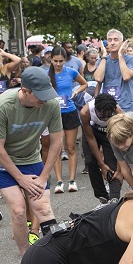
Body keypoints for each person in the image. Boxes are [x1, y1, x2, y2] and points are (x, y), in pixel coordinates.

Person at [0, 67, 63, 264]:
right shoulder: (2, 105)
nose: (45, 100)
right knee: (19, 210)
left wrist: (43, 177)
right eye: (40, 95)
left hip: (30, 156)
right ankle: (26, 263)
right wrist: (20, 179)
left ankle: (59, 258)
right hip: (2, 159)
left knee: (43, 207)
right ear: (25, 90)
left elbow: (57, 141)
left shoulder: (51, 104)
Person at [48, 47, 87, 194]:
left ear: (65, 60)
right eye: (55, 61)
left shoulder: (71, 71)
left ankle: (71, 180)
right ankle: (59, 181)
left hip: (69, 112)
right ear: (50, 60)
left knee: (71, 148)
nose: (58, 64)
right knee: (57, 148)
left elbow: (84, 84)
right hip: (54, 114)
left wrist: (75, 92)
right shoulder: (46, 74)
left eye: (61, 61)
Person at [80, 93, 123, 203]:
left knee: (112, 165)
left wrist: (119, 169)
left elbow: (121, 143)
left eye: (109, 116)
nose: (105, 119)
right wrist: (101, 164)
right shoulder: (85, 112)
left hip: (110, 133)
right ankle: (102, 196)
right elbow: (90, 138)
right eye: (102, 116)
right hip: (92, 132)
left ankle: (114, 198)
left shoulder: (119, 113)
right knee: (90, 161)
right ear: (95, 109)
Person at [94, 29, 133, 125]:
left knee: (130, 137)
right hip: (108, 109)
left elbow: (126, 76)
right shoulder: (102, 60)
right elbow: (98, 78)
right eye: (109, 40)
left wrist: (120, 55)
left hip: (127, 108)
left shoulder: (130, 59)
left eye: (115, 40)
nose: (112, 43)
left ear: (122, 43)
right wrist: (104, 55)